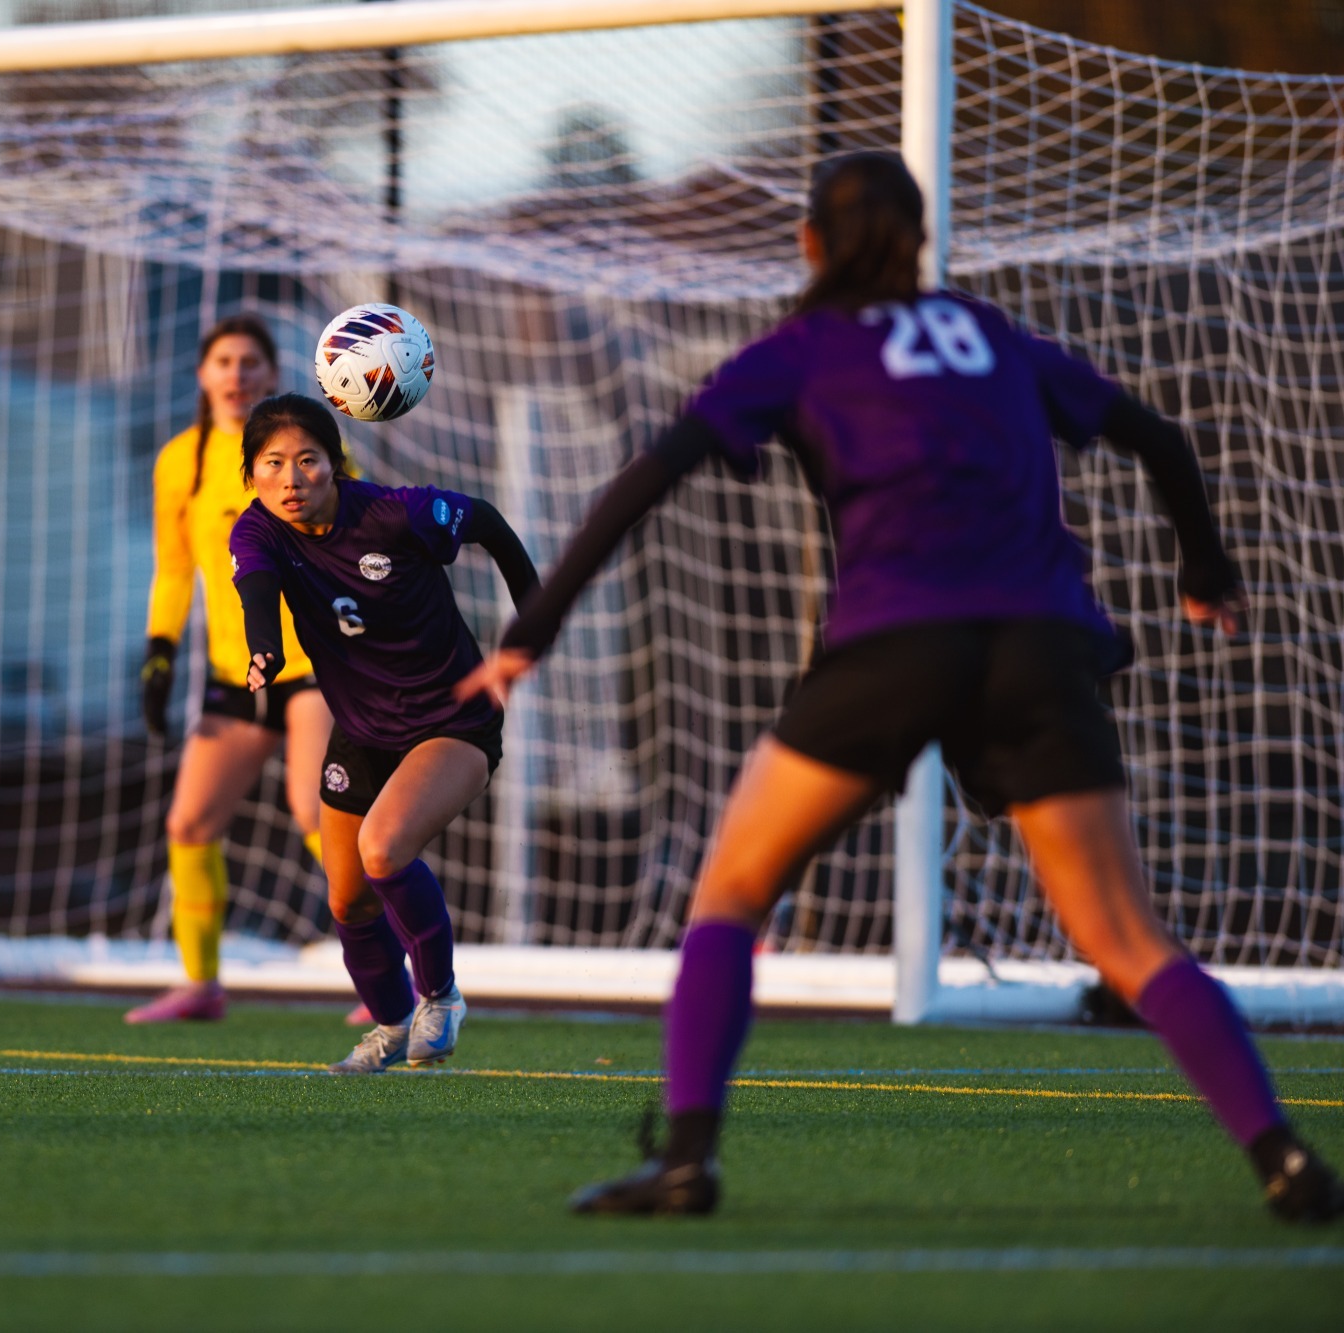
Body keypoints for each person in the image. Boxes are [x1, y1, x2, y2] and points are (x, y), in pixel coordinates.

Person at [457, 151, 1342, 1222]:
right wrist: (1203, 570)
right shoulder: (986, 335)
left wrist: (528, 631)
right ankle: (1283, 1158)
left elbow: (649, 472)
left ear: (810, 245)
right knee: (1124, 936)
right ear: (918, 240)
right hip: (1040, 645)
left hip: (896, 644)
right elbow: (1154, 436)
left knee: (732, 893)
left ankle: (686, 1161)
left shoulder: (804, 349)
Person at [231, 393, 538, 1071]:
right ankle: (394, 1024)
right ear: (250, 472)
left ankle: (442, 996)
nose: (291, 478)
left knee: (384, 848)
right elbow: (256, 590)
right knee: (345, 894)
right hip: (363, 729)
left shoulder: (395, 512)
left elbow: (486, 521)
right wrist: (266, 650)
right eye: (273, 463)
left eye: (308, 460)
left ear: (334, 465)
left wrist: (532, 616)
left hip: (452, 719)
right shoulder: (256, 530)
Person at [129, 316, 335, 1024]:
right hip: (234, 675)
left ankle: (393, 968)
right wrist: (159, 649)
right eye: (224, 360)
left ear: (271, 377)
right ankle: (202, 985)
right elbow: (173, 568)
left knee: (316, 811)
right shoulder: (179, 461)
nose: (237, 374)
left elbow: (358, 530)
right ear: (203, 374)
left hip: (312, 666)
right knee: (188, 822)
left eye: (251, 362)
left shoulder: (306, 452)